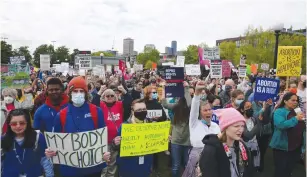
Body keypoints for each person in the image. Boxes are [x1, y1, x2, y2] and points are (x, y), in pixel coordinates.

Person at [46, 76, 110, 177]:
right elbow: (56, 142)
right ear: (70, 93)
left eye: (81, 91)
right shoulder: (61, 115)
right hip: (70, 169)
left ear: (86, 93)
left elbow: (102, 138)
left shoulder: (96, 111)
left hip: (92, 168)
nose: (78, 93)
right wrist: (50, 151)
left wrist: (105, 152)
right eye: (75, 91)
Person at [198, 108, 253, 177]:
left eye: (242, 126)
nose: (241, 130)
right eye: (236, 126)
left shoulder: (242, 146)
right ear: (225, 127)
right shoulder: (211, 149)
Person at [182, 81, 220, 177]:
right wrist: (197, 93)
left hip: (213, 160)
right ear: (200, 113)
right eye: (205, 110)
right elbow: (194, 108)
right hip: (196, 161)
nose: (208, 112)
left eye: (209, 110)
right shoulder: (194, 123)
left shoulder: (215, 126)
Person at [1, 109, 54, 177]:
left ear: (28, 123)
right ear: (9, 125)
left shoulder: (38, 137)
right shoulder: (2, 140)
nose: (18, 126)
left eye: (22, 123)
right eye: (14, 124)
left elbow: (45, 160)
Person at [111, 99, 153, 177]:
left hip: (145, 165)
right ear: (132, 111)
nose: (142, 111)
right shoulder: (125, 126)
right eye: (139, 110)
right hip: (128, 165)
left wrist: (163, 138)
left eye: (144, 109)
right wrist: (115, 142)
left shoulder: (151, 126)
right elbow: (116, 147)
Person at [269, 92, 305, 177]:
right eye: (292, 100)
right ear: (285, 101)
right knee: (281, 171)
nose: (295, 102)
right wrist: (295, 118)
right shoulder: (279, 111)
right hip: (282, 148)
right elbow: (281, 125)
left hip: (295, 147)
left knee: (289, 170)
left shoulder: (297, 111)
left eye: (296, 100)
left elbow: (302, 126)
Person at [161, 81, 192, 177]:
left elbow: (164, 103)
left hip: (177, 141)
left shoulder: (176, 107)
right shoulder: (188, 109)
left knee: (176, 165)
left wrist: (163, 89)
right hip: (185, 141)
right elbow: (189, 103)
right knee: (186, 164)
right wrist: (186, 88)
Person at [100, 86, 132, 177]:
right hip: (104, 141)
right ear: (104, 97)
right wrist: (100, 92)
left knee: (112, 164)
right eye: (107, 96)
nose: (109, 97)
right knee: (104, 164)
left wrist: (124, 91)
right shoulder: (101, 105)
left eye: (111, 95)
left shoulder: (119, 104)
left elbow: (129, 102)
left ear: (115, 96)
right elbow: (94, 101)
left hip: (115, 141)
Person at [238, 100, 262, 171]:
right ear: (242, 110)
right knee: (246, 166)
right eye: (247, 107)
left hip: (254, 145)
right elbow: (248, 135)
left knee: (255, 162)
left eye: (251, 107)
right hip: (245, 146)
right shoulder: (240, 121)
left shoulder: (253, 119)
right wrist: (259, 123)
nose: (250, 109)